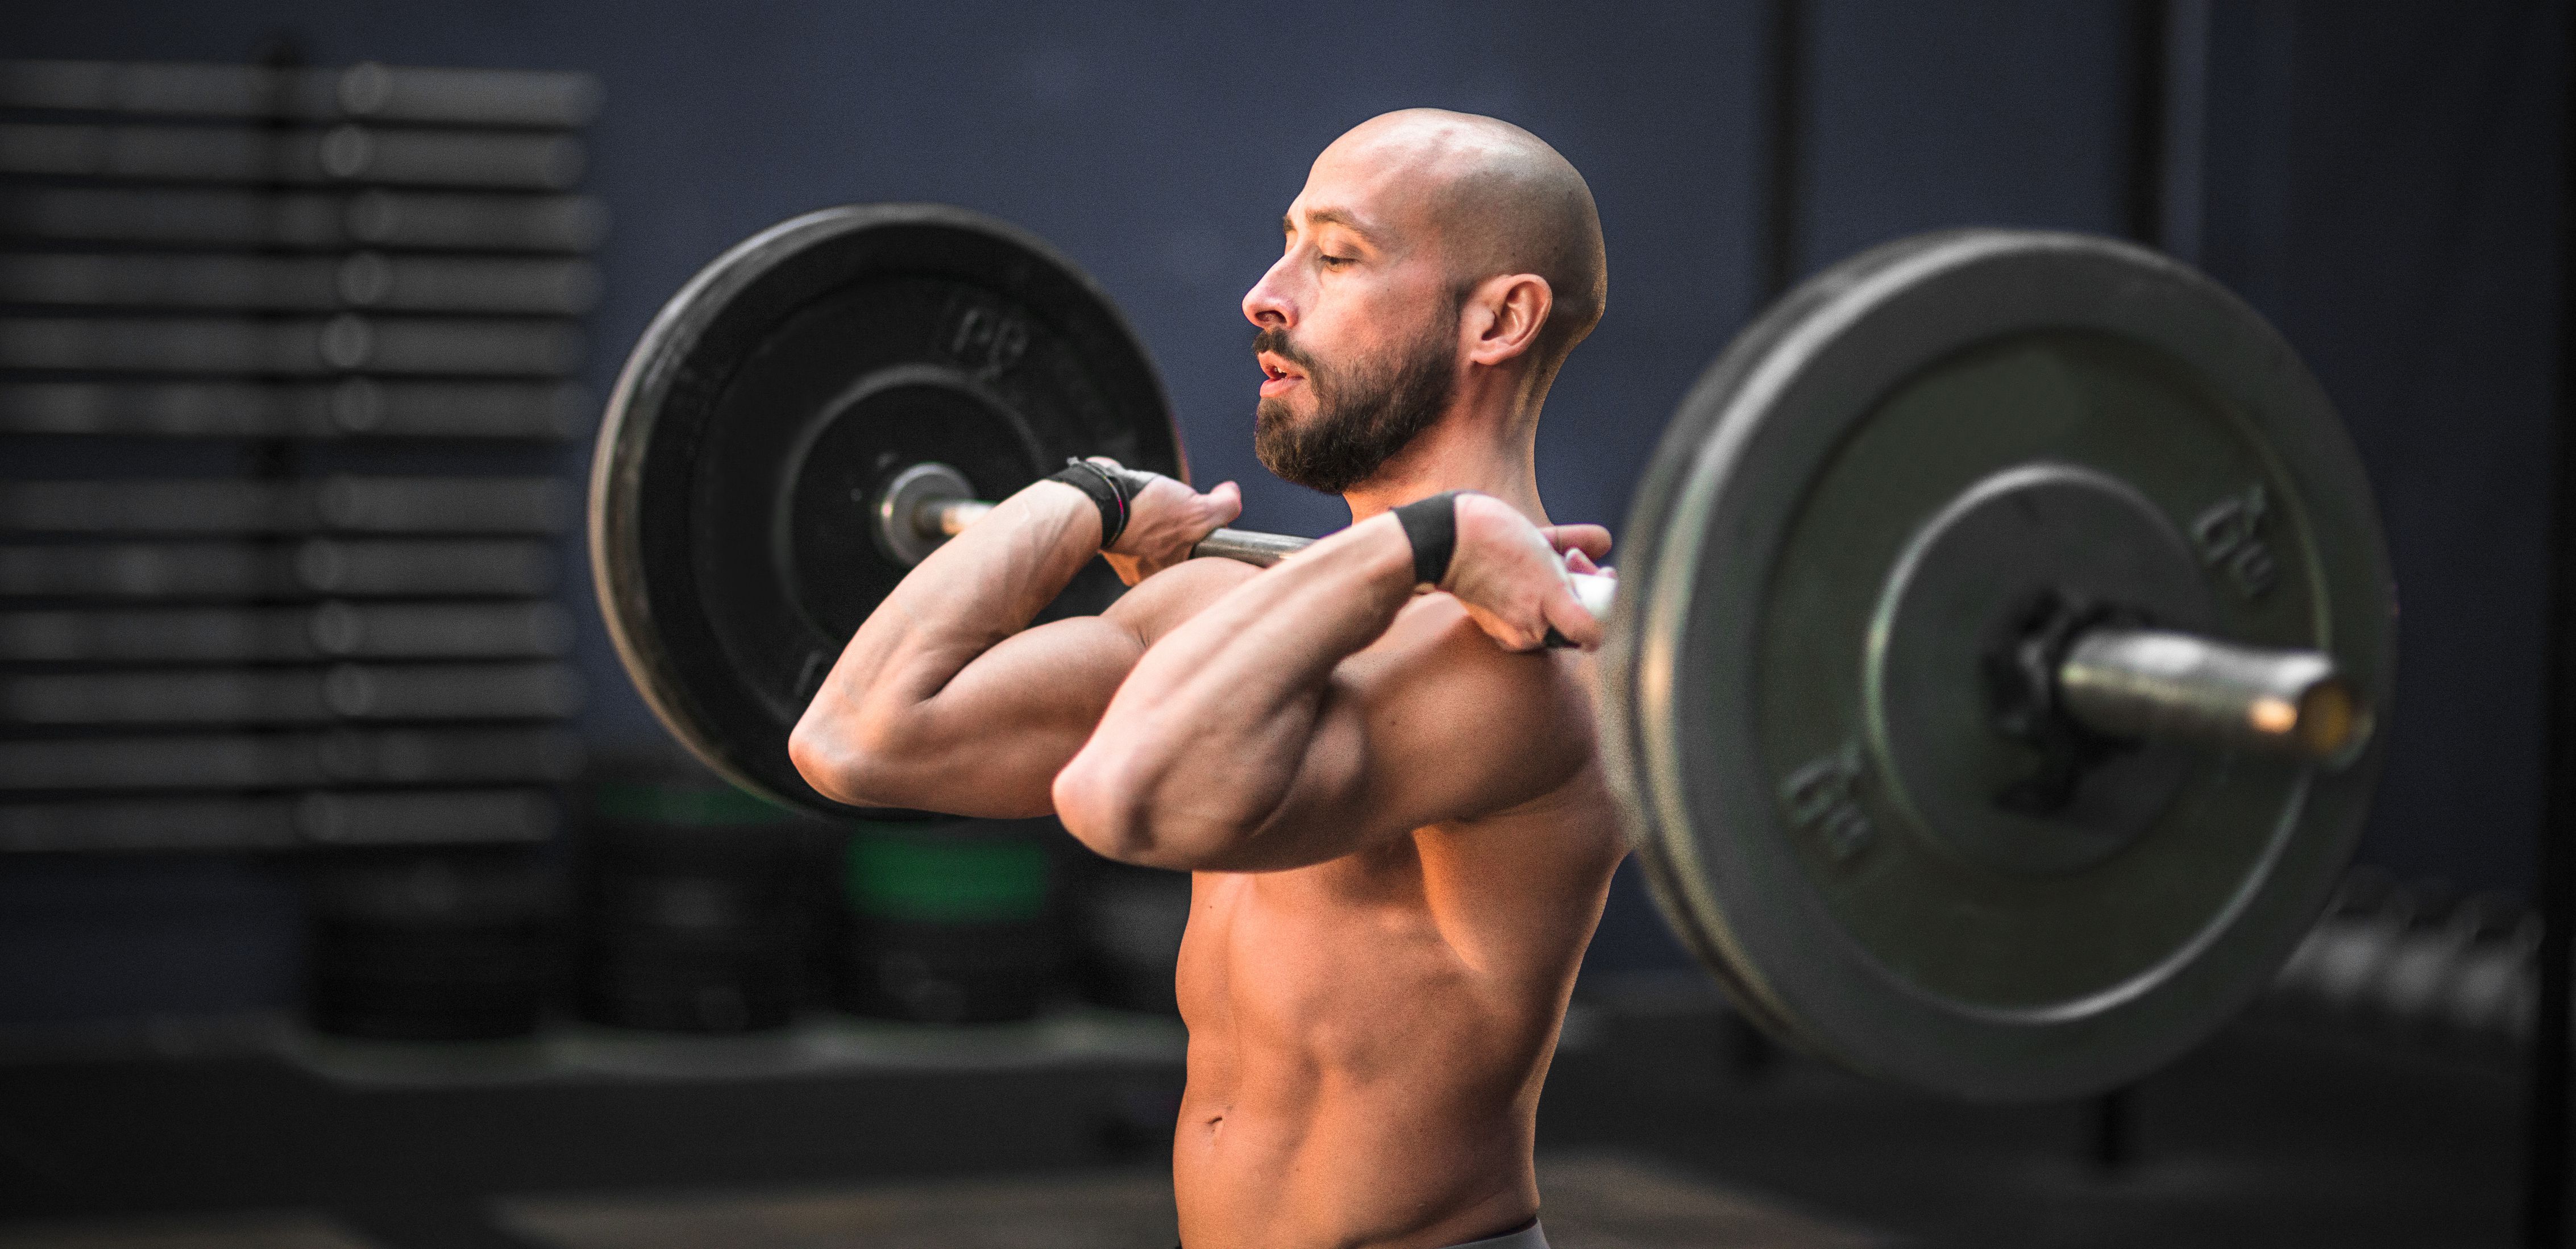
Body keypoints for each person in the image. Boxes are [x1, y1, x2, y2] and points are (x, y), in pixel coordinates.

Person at [790, 109, 1623, 1249]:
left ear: (1500, 318)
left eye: (1333, 256)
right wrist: (1076, 497)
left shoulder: (1536, 661)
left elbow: (1125, 796)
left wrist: (1415, 544)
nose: (1266, 294)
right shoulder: (1233, 607)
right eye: (1285, 244)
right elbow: (856, 740)